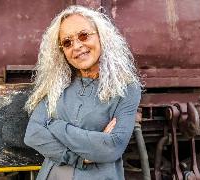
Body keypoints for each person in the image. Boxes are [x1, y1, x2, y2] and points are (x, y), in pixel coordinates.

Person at [24, 5, 141, 180]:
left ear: (101, 36)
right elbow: (32, 135)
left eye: (83, 35)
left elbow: (112, 147)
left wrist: (55, 126)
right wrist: (80, 156)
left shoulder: (126, 88)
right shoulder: (57, 85)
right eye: (67, 42)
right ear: (62, 51)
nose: (77, 46)